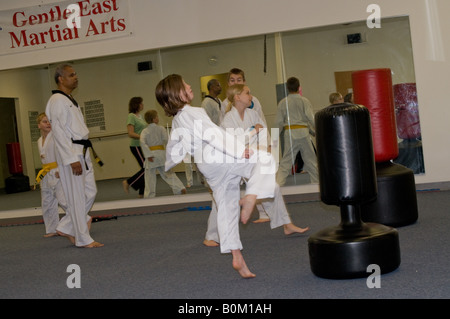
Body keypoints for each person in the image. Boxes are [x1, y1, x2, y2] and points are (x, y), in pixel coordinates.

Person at [156, 74, 277, 278]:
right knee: (264, 160)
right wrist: (239, 149)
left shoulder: (177, 121)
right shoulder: (193, 112)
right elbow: (214, 134)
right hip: (218, 156)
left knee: (226, 208)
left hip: (207, 166)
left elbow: (174, 148)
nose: (190, 85)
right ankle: (250, 198)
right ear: (178, 92)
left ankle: (237, 257)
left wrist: (170, 161)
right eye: (185, 84)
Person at [203, 84, 309, 247]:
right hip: (231, 162)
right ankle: (211, 236)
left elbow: (265, 135)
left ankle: (287, 225)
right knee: (224, 197)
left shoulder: (253, 114)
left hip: (251, 159)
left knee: (271, 187)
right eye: (247, 93)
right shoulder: (228, 119)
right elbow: (232, 144)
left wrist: (266, 150)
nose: (251, 95)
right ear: (237, 97)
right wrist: (252, 131)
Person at [45, 63, 103, 248]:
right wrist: (70, 159)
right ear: (61, 79)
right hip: (72, 153)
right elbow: (59, 132)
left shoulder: (69, 99)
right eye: (71, 75)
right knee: (76, 197)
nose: (76, 77)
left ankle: (66, 225)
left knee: (90, 192)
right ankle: (83, 239)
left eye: (76, 74)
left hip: (82, 151)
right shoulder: (56, 101)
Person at [222, 67, 269, 222]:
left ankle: (265, 212)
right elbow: (224, 127)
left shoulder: (253, 101)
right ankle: (227, 216)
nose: (235, 82)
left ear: (244, 81)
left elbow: (261, 123)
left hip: (254, 147)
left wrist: (267, 145)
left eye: (239, 80)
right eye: (232, 80)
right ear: (228, 82)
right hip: (235, 148)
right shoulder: (225, 103)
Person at [276, 76, 319, 185]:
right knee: (311, 161)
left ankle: (277, 186)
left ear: (287, 88)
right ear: (299, 87)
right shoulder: (304, 101)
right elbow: (311, 118)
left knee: (286, 162)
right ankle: (317, 185)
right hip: (304, 133)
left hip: (289, 133)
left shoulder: (283, 103)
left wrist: (273, 138)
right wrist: (318, 131)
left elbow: (278, 122)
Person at [140, 110, 186, 198]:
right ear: (154, 119)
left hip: (151, 156)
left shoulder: (145, 131)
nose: (158, 118)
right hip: (161, 154)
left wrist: (148, 155)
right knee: (168, 173)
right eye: (156, 117)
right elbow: (167, 140)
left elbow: (142, 142)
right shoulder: (161, 128)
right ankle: (179, 188)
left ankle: (149, 196)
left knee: (150, 177)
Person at [36, 113, 68, 238]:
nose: (48, 123)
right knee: (47, 201)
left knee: (63, 200)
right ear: (39, 125)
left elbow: (61, 153)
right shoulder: (39, 140)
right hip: (45, 172)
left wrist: (61, 169)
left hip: (57, 170)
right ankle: (52, 229)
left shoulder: (55, 137)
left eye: (49, 121)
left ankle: (79, 222)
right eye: (44, 121)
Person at [122, 97, 147, 198]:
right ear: (136, 104)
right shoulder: (131, 116)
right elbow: (130, 133)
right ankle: (128, 182)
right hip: (135, 146)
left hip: (142, 146)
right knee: (146, 168)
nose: (142, 105)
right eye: (141, 103)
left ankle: (141, 193)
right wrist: (142, 137)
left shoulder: (140, 117)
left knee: (145, 169)